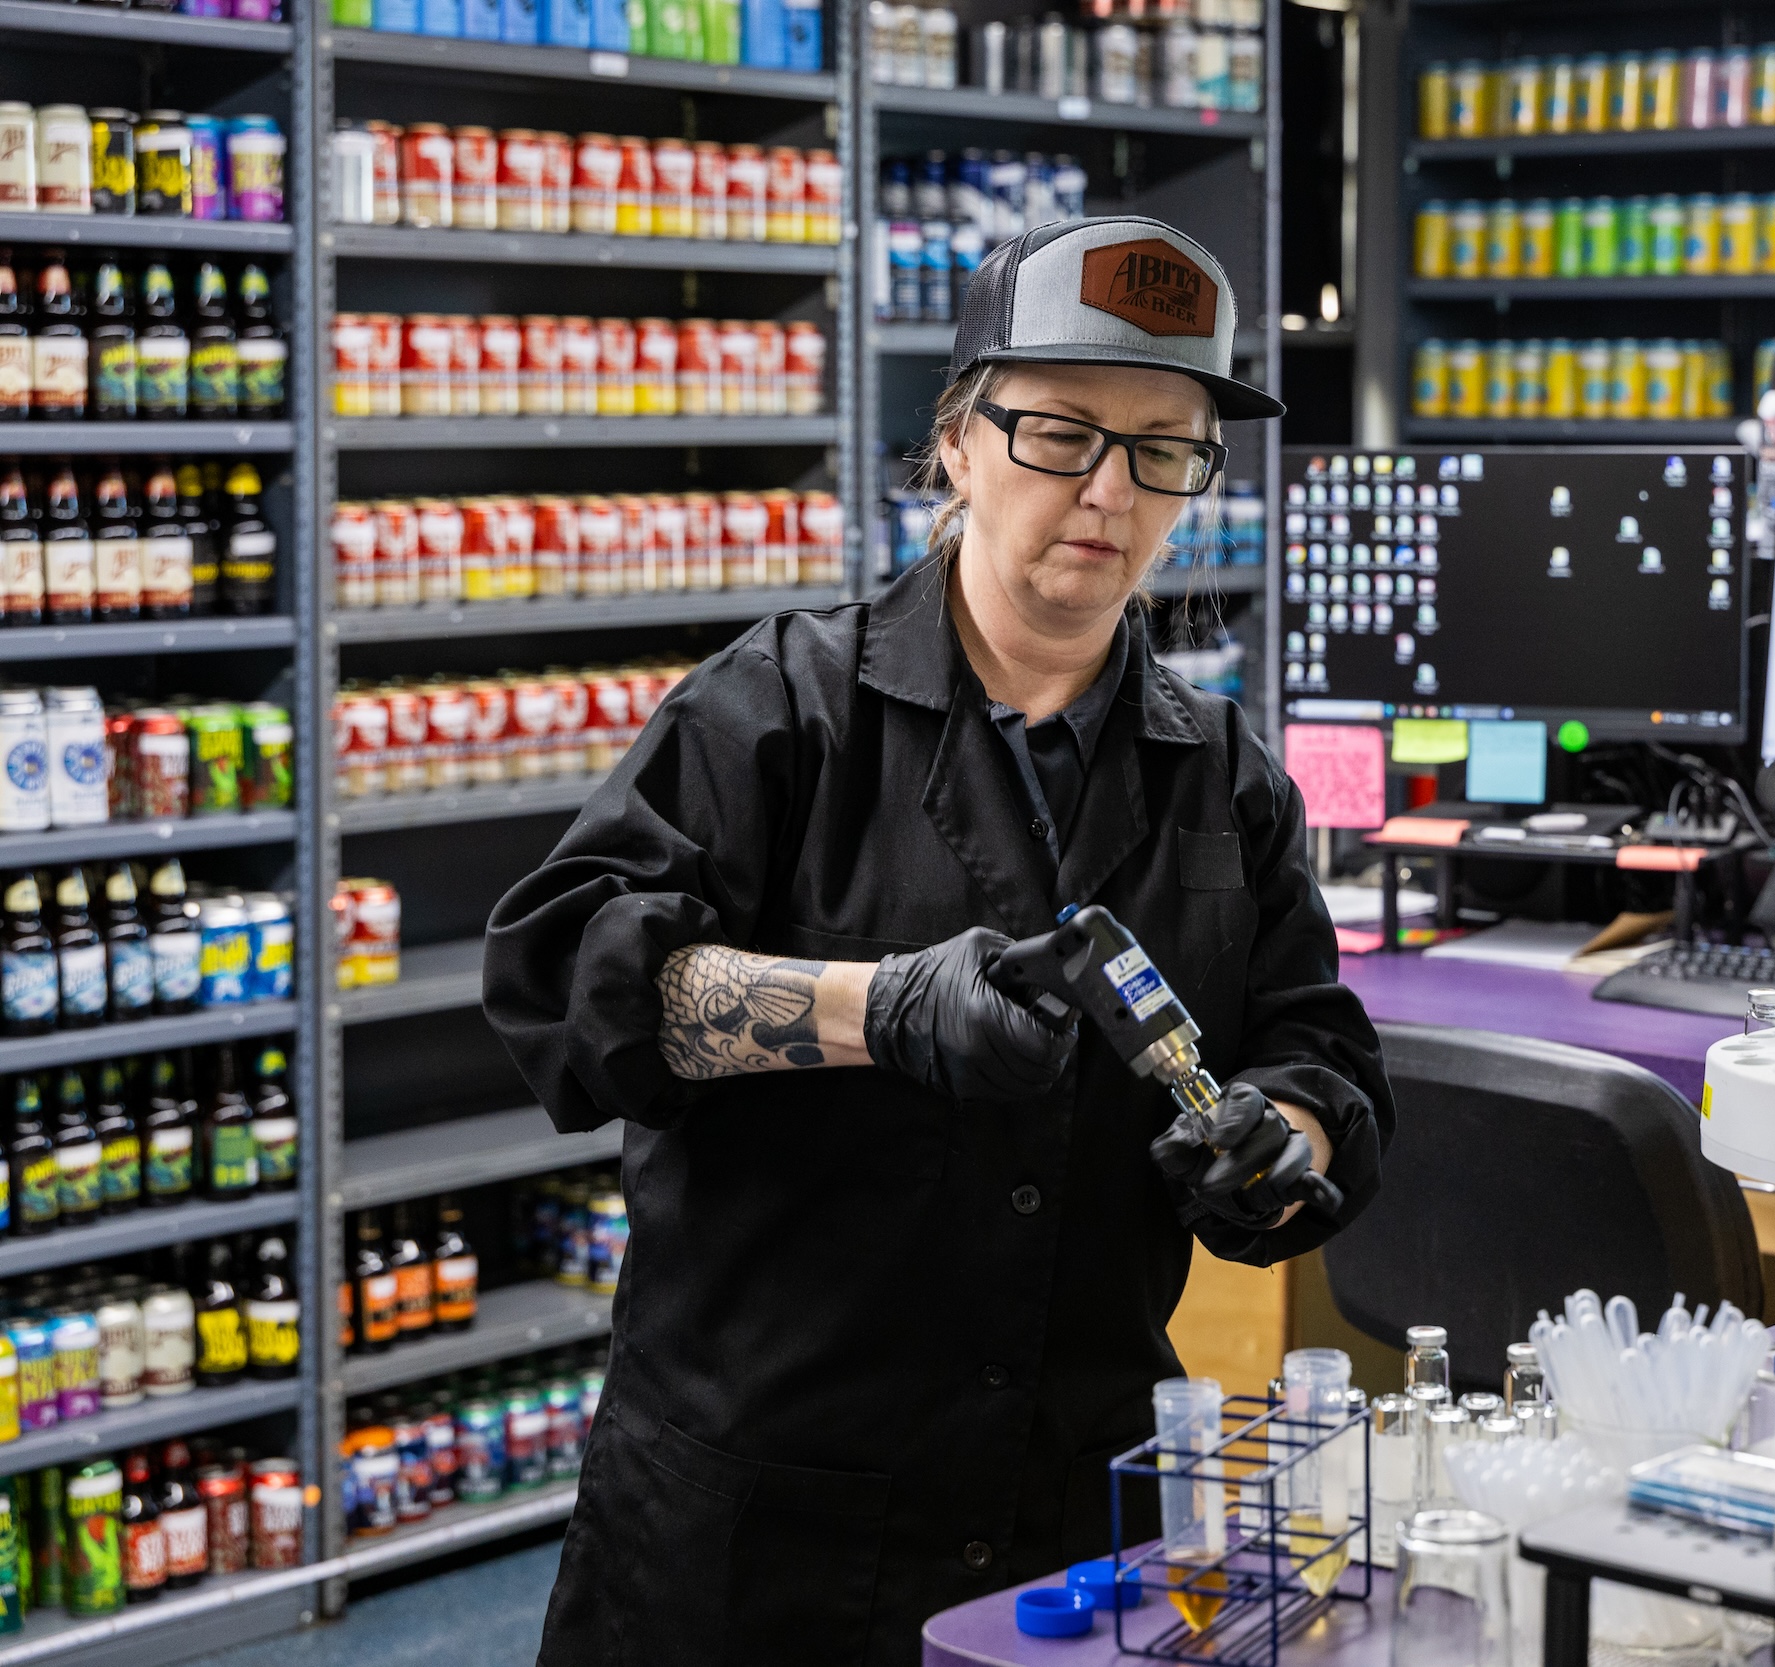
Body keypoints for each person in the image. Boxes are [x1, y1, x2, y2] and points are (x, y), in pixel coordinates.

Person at [482, 216, 1394, 1666]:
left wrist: (1284, 1140)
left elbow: (1317, 1049)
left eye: (1165, 449)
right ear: (960, 443)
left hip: (1075, 1518)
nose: (1110, 492)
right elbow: (568, 974)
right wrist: (872, 1008)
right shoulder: (775, 711)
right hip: (762, 1527)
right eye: (1062, 434)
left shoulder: (1226, 779)